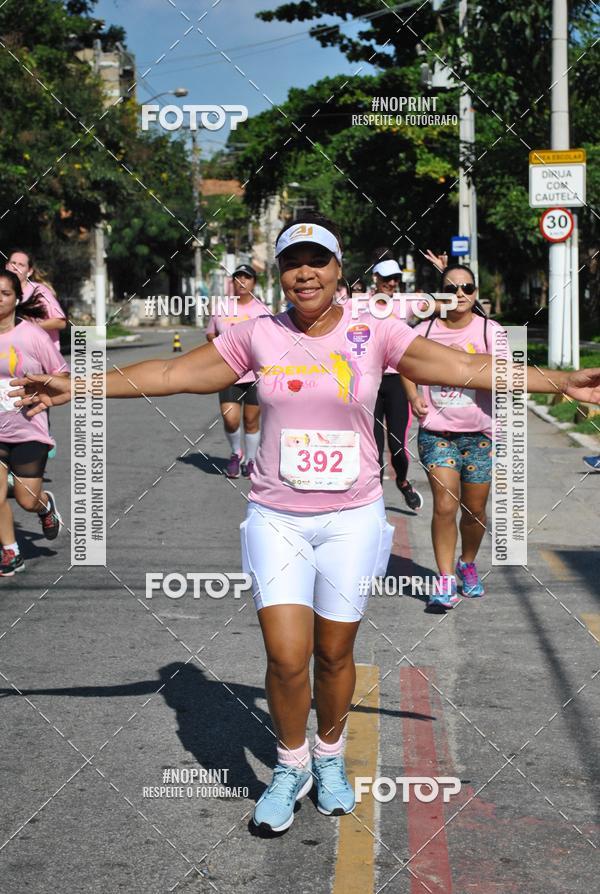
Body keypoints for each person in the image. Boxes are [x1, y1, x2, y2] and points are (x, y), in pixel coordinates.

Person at [11, 213, 600, 834]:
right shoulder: (258, 335)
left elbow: (463, 368)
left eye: (317, 261)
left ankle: (330, 755)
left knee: (334, 650)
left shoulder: (376, 331)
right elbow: (171, 374)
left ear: (338, 271)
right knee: (288, 657)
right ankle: (290, 766)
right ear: (281, 275)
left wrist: (560, 381)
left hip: (351, 517)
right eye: (294, 263)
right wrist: (75, 385)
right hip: (277, 518)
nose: (305, 273)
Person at [401, 264, 502, 609]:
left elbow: (510, 374)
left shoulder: (491, 331)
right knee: (445, 505)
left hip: (480, 435)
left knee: (474, 511)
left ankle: (467, 564)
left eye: (467, 288)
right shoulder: (424, 331)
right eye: (451, 288)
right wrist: (414, 395)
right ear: (439, 294)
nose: (460, 294)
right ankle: (444, 580)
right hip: (436, 432)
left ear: (475, 294)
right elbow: (405, 364)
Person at [0, 270, 66, 575]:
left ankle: (45, 507)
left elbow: (62, 376)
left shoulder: (32, 336)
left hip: (28, 428)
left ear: (16, 300)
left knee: (27, 500)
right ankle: (11, 552)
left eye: (5, 294)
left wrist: (40, 388)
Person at [370, 251, 423, 510]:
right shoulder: (359, 305)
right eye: (387, 278)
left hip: (397, 382)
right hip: (370, 382)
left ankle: (402, 481)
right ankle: (374, 502)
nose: (392, 284)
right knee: (373, 447)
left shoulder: (406, 304)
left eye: (396, 279)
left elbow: (447, 304)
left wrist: (443, 273)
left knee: (397, 447)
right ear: (376, 277)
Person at [205, 264, 266, 478]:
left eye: (247, 278)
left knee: (251, 420)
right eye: (238, 278)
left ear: (253, 282)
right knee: (230, 418)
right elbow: (210, 334)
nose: (242, 282)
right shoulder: (222, 307)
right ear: (233, 283)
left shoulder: (263, 311)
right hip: (228, 372)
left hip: (255, 374)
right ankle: (235, 453)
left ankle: (250, 459)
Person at [6, 250, 67, 348]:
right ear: (6, 266)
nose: (15, 267)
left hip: (41, 355)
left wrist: (31, 327)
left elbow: (61, 322)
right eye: (13, 263)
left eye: (21, 265)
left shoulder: (39, 292)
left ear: (29, 272)